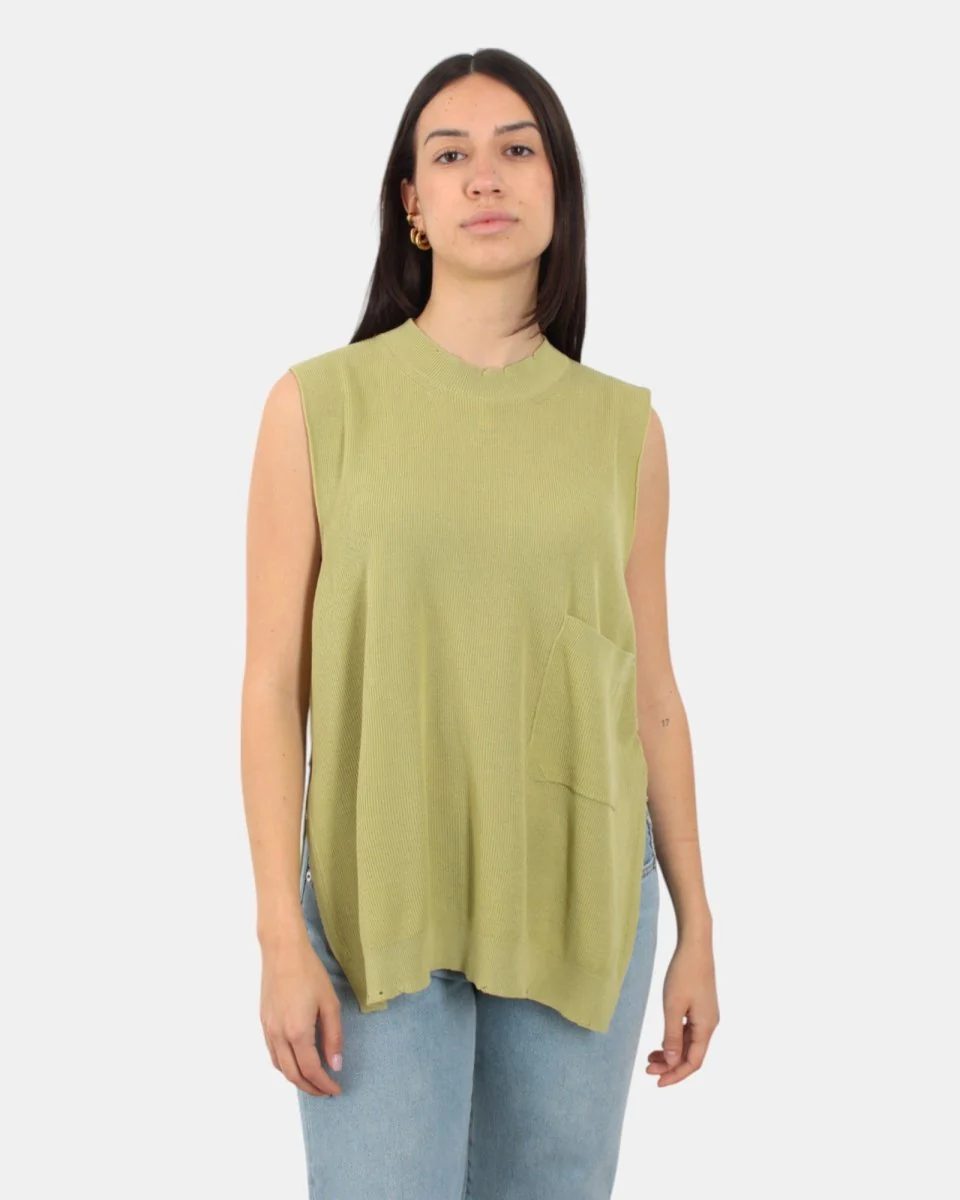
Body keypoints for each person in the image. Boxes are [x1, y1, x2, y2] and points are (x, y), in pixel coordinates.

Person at [241, 47, 719, 1199]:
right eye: (450, 155)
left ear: (559, 189)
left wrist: (698, 924)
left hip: (579, 891)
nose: (485, 176)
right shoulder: (317, 406)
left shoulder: (626, 432)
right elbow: (271, 686)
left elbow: (652, 693)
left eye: (517, 149)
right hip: (374, 894)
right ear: (412, 202)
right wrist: (277, 934)